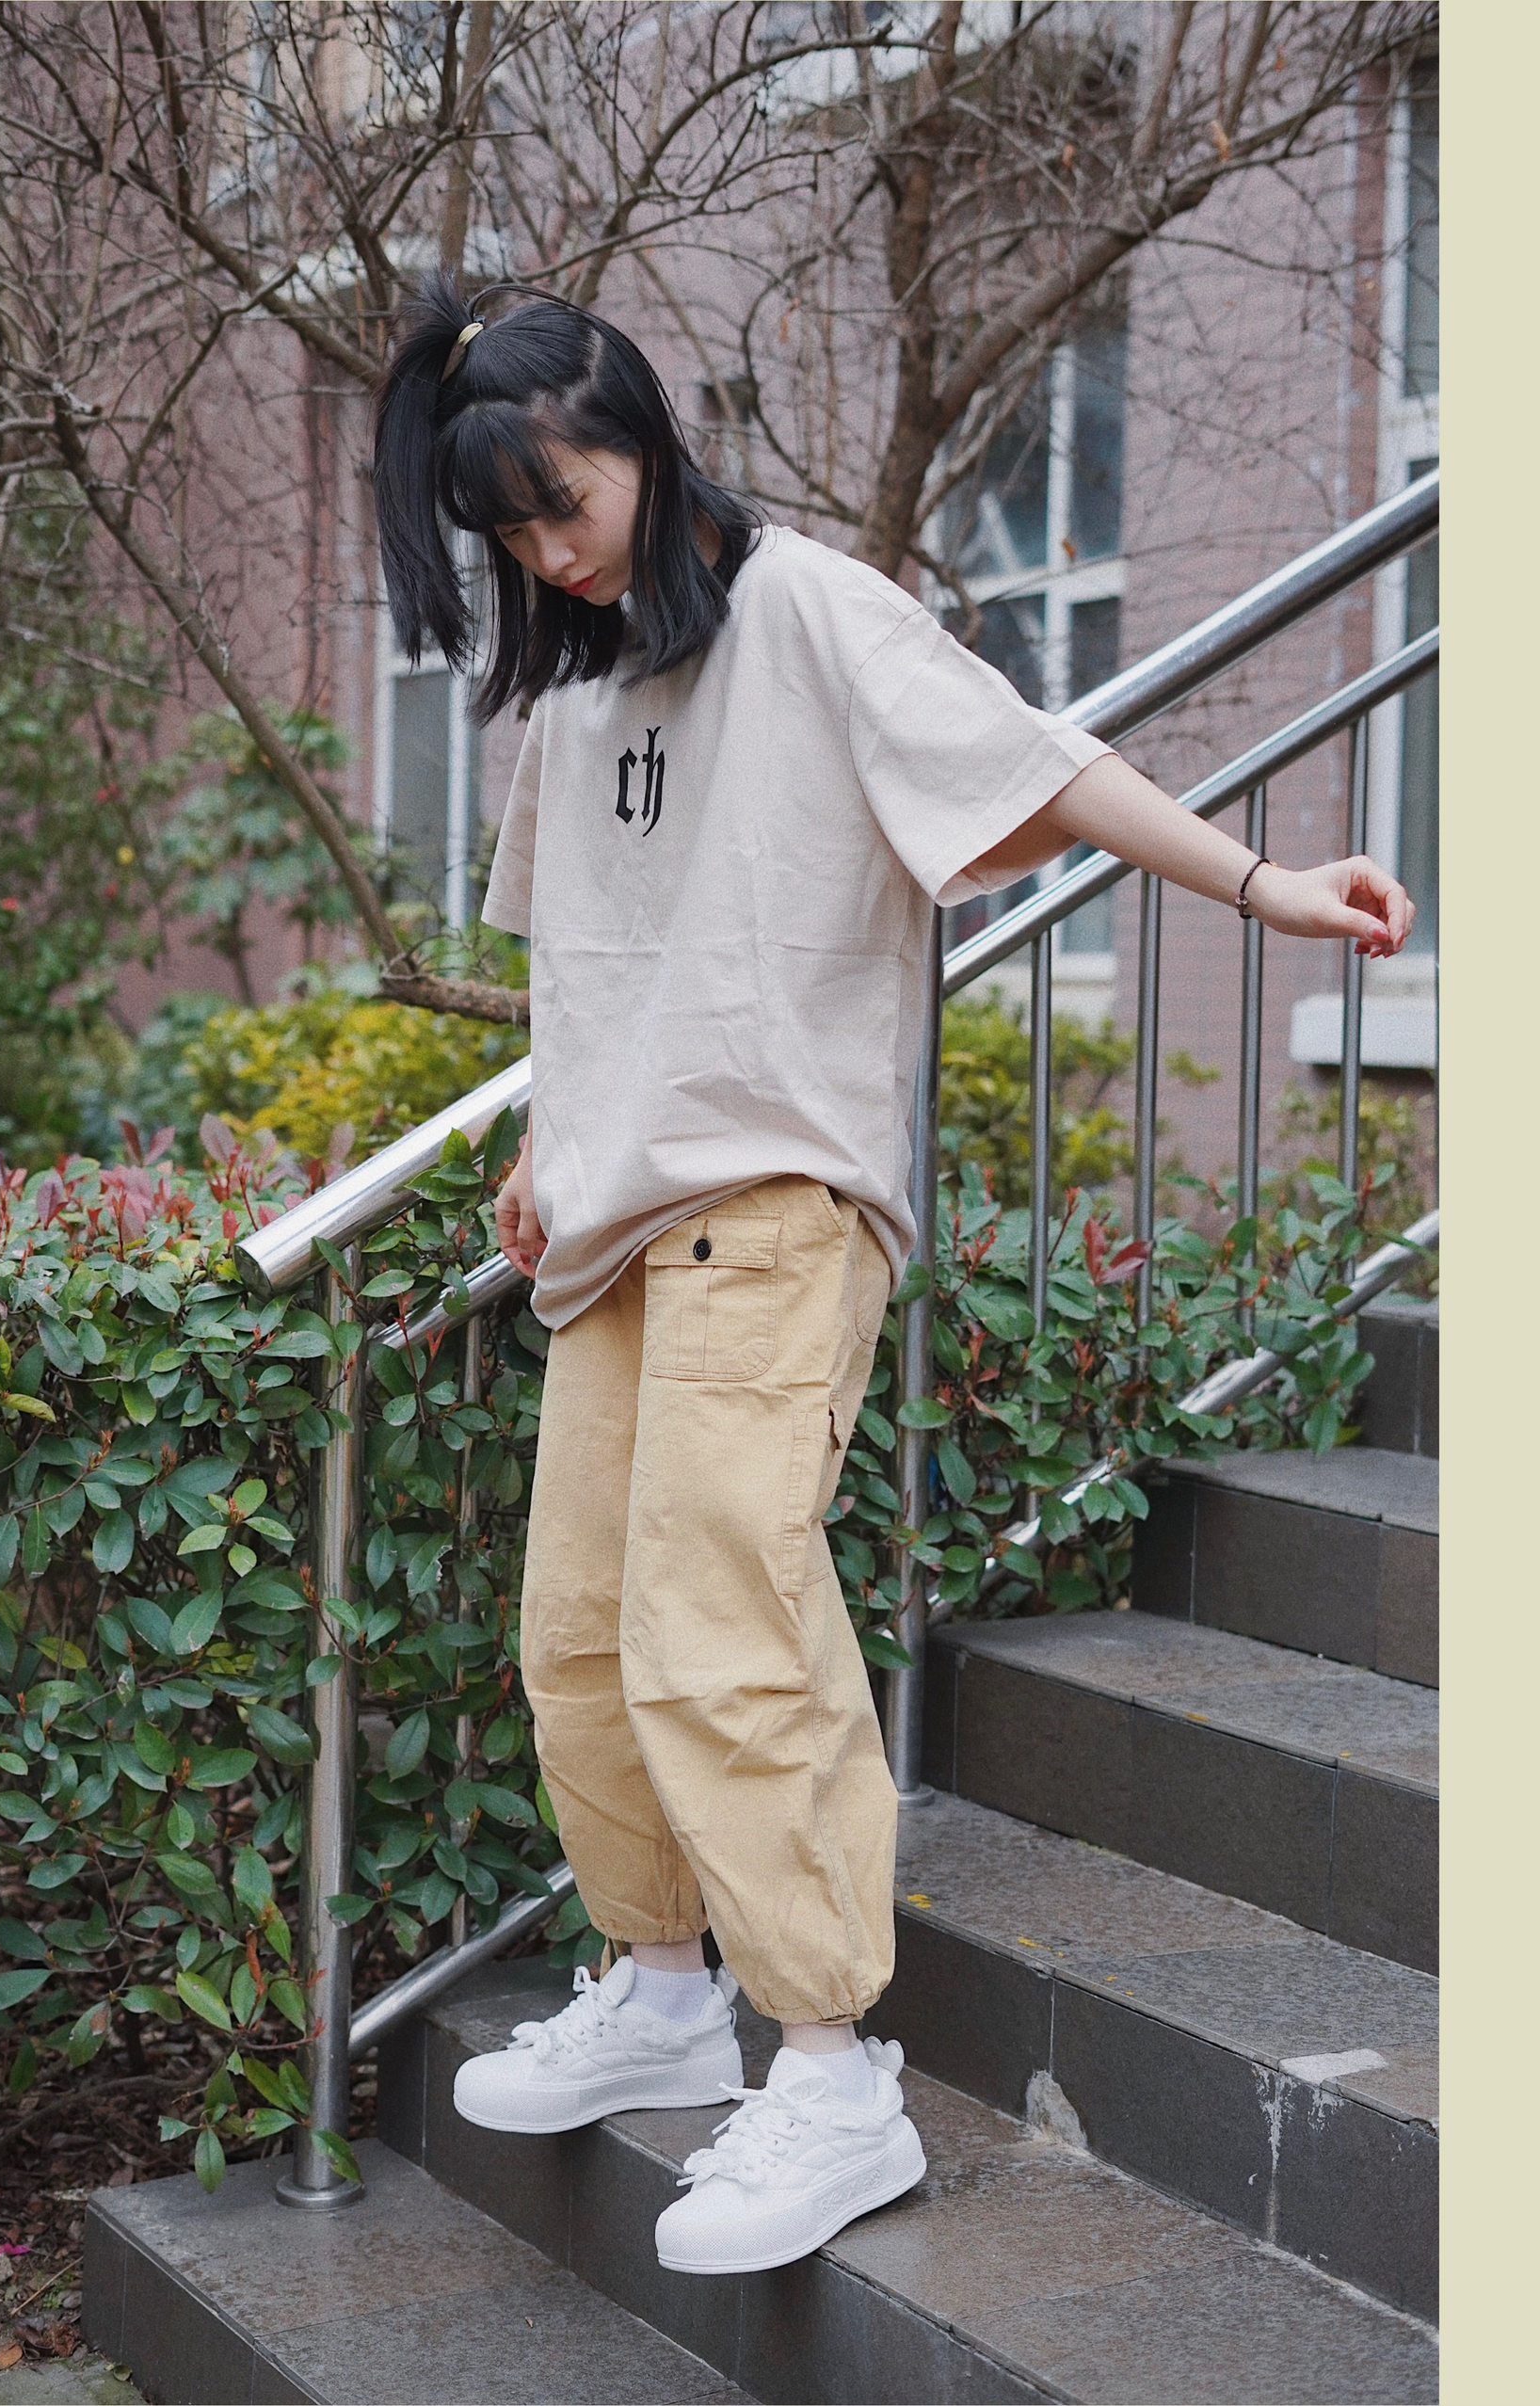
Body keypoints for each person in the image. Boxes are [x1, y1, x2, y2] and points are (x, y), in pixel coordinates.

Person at [371, 276, 1414, 2279]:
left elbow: (1039, 766)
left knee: (721, 1628)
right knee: (577, 1636)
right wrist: (541, 1139)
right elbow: (593, 963)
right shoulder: (577, 691)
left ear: (641, 440)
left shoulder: (809, 614)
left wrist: (1266, 885)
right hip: (609, 1230)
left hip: (775, 1207)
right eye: (507, 532)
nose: (546, 554)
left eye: (560, 503)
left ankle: (832, 2073)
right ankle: (659, 1988)